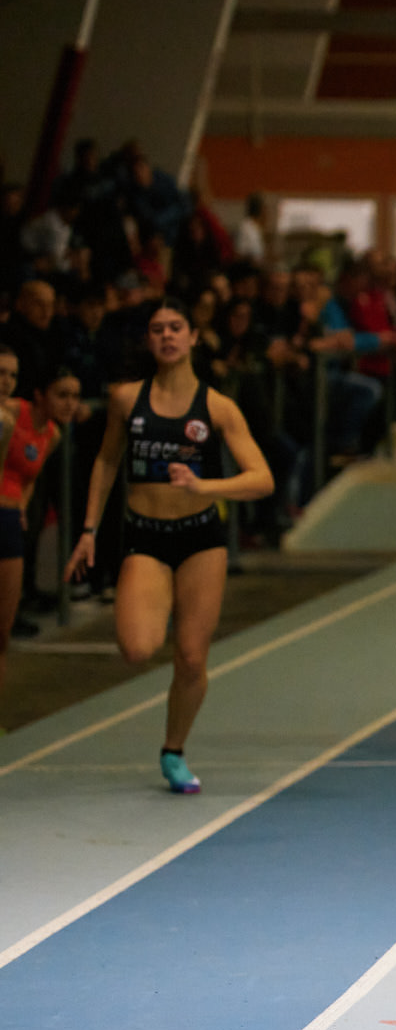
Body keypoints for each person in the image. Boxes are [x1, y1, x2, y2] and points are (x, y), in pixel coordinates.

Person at [65, 297, 274, 793]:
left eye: (176, 327)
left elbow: (261, 478)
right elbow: (106, 462)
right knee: (138, 647)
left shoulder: (217, 407)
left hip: (201, 538)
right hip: (146, 535)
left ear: (193, 337)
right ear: (148, 340)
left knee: (192, 658)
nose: (167, 336)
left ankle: (173, 751)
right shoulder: (126, 399)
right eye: (157, 329)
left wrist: (206, 487)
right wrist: (89, 530)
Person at [2, 368, 83, 699]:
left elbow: (30, 478)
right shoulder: (10, 413)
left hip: (8, 520)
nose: (70, 404)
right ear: (40, 395)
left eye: (75, 396)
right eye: (62, 395)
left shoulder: (53, 435)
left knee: (2, 632)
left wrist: (21, 506)